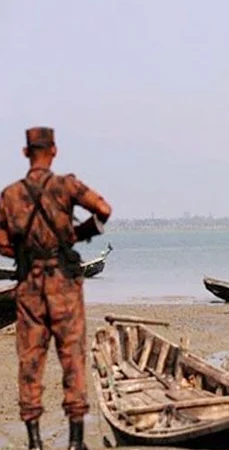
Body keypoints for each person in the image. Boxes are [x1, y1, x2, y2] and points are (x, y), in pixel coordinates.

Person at [0, 127, 112, 450]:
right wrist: (77, 234)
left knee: (30, 361)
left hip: (29, 285)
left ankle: (35, 442)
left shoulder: (10, 195)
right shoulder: (66, 186)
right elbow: (103, 209)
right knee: (72, 357)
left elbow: (2, 238)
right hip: (64, 283)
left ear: (25, 153)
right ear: (54, 151)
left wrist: (19, 252)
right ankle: (76, 441)